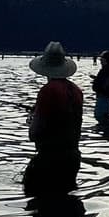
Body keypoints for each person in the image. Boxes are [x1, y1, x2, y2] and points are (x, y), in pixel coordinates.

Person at [25, 41, 84, 191]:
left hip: (50, 160)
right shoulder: (76, 91)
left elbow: (34, 133)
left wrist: (32, 120)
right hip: (73, 159)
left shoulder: (47, 91)